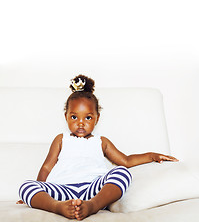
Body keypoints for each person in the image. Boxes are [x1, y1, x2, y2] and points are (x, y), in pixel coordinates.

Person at [18, 74, 178, 221]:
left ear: (97, 118)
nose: (81, 123)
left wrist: (151, 156)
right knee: (26, 186)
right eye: (74, 117)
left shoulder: (101, 142)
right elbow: (47, 167)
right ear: (65, 116)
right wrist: (40, 193)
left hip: (92, 189)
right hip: (62, 190)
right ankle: (58, 207)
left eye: (88, 117)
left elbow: (126, 161)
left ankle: (92, 206)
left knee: (122, 172)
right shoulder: (61, 139)